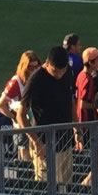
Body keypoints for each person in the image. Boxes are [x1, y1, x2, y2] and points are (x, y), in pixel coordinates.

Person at [19, 46, 76, 187]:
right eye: (55, 71)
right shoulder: (36, 80)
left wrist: (77, 128)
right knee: (48, 187)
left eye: (62, 71)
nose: (59, 75)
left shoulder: (67, 72)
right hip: (45, 144)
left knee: (66, 186)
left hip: (66, 141)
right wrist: (37, 143)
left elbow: (71, 101)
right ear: (47, 63)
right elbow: (21, 115)